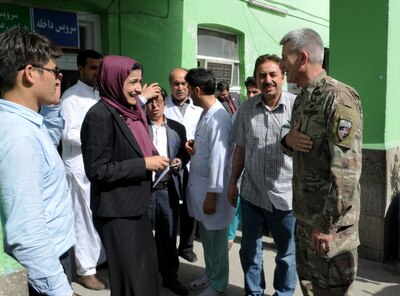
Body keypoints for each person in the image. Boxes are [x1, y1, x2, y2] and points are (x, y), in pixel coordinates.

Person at [279, 28, 363, 296]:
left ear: (302, 57)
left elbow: (346, 174)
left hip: (329, 230)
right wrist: (287, 142)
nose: (282, 65)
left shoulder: (339, 98)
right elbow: (301, 148)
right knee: (309, 288)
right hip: (305, 221)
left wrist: (326, 227)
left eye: (285, 59)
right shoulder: (302, 98)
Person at [81, 55, 169, 296]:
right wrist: (144, 164)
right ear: (113, 79)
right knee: (131, 280)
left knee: (147, 274)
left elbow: (136, 145)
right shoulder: (99, 115)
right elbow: (98, 170)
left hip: (137, 205)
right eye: (132, 82)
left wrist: (155, 157)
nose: (139, 88)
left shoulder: (130, 111)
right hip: (116, 211)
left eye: (139, 81)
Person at [0, 28, 76, 296]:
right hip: (45, 267)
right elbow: (27, 232)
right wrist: (59, 290)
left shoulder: (26, 123)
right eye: (55, 72)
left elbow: (51, 138)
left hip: (51, 258)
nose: (59, 79)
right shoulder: (19, 137)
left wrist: (53, 103)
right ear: (31, 73)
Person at [228, 54, 297, 296]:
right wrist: (232, 183)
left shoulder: (297, 108)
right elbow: (241, 148)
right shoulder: (247, 108)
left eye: (272, 74)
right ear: (256, 78)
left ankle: (284, 293)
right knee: (249, 251)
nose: (267, 80)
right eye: (262, 75)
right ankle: (254, 292)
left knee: (286, 254)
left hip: (285, 197)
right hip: (252, 194)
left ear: (282, 76)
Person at [60, 49, 107, 290]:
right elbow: (68, 133)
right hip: (79, 167)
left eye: (100, 68)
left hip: (98, 165)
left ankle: (97, 258)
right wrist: (100, 138)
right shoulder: (71, 97)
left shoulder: (99, 94)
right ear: (80, 69)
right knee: (83, 218)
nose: (97, 73)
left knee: (97, 215)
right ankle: (85, 270)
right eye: (92, 68)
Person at [185, 68, 234, 296]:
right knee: (207, 236)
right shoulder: (206, 114)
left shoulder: (219, 117)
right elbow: (207, 150)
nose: (186, 94)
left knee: (216, 240)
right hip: (201, 188)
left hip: (212, 191)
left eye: (188, 89)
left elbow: (219, 159)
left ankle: (219, 283)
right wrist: (194, 146)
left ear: (196, 89)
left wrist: (212, 194)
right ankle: (211, 273)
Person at [146, 87, 190, 296]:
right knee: (143, 237)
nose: (154, 106)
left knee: (168, 236)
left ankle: (170, 277)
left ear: (165, 102)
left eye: (158, 101)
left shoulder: (177, 128)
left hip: (168, 190)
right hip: (145, 191)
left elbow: (184, 152)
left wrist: (180, 161)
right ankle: (144, 279)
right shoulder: (137, 127)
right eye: (149, 102)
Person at [164, 67, 203, 263]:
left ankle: (186, 247)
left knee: (191, 208)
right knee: (171, 209)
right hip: (171, 165)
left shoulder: (199, 109)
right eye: (176, 83)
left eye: (184, 83)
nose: (180, 88)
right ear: (170, 85)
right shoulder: (162, 108)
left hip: (193, 165)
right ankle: (168, 246)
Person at [227, 76, 262, 251]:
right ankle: (230, 238)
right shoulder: (241, 112)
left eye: (255, 92)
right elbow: (235, 146)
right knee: (236, 208)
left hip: (264, 180)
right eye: (248, 91)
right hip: (241, 173)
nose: (250, 95)